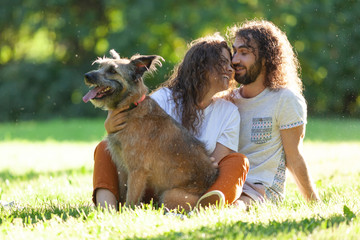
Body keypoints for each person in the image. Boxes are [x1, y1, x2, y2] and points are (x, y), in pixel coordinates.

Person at [92, 34, 249, 210]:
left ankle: (206, 204)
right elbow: (132, 140)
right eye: (222, 63)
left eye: (230, 64)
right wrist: (110, 126)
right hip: (150, 182)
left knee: (238, 161)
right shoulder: (164, 98)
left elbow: (215, 163)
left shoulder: (229, 112)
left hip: (191, 183)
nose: (230, 69)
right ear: (201, 67)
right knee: (103, 149)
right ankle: (107, 210)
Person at [227, 19, 320, 205]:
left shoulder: (285, 100)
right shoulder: (227, 100)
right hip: (226, 184)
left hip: (262, 190)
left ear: (266, 58)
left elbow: (294, 158)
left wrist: (315, 204)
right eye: (234, 51)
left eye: (244, 53)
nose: (235, 60)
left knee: (233, 208)